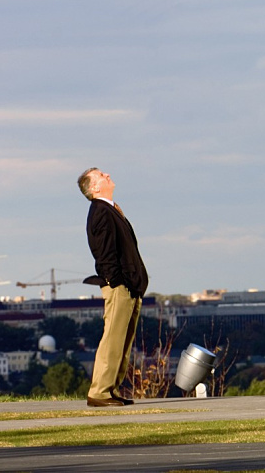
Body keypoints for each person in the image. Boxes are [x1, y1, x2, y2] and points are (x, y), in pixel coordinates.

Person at [77, 167, 149, 407]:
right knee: (113, 339)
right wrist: (116, 281)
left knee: (123, 341)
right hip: (120, 286)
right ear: (94, 187)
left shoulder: (110, 209)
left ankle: (111, 389)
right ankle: (100, 392)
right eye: (100, 175)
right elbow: (104, 253)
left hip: (129, 286)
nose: (107, 175)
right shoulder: (100, 211)